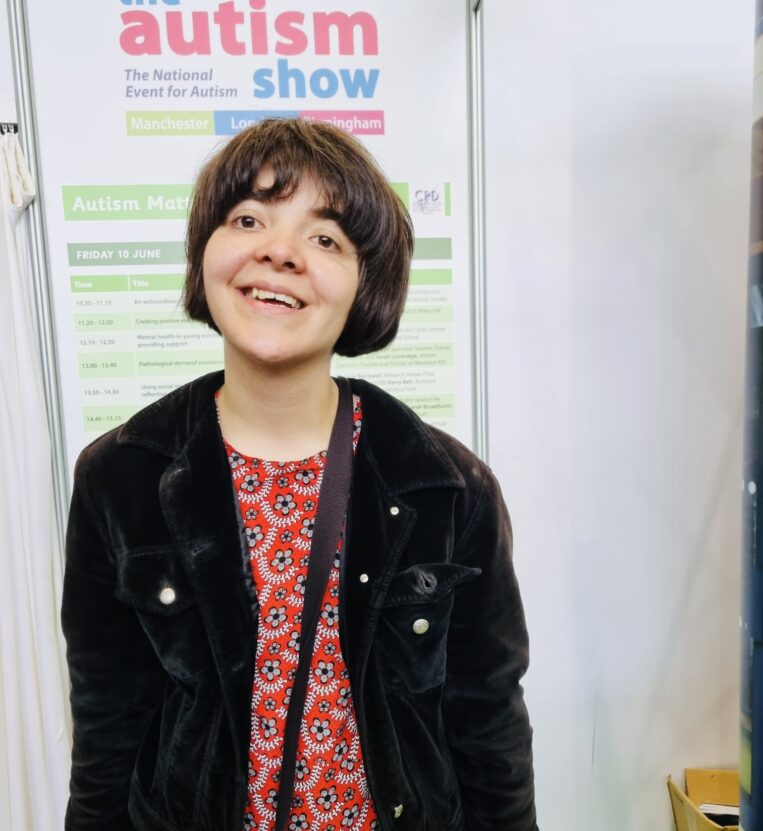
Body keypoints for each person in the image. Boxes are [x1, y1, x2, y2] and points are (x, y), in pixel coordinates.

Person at [62, 118, 537, 831]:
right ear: (205, 252)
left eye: (324, 238)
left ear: (363, 285)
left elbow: (487, 727)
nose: (278, 251)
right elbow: (106, 728)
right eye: (248, 217)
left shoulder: (446, 486)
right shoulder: (120, 477)